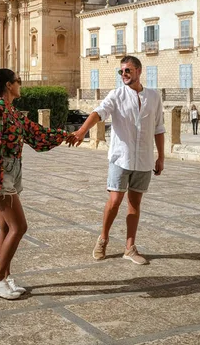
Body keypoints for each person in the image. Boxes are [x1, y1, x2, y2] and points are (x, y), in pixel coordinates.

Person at [0, 68, 73, 299]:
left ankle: (5, 277)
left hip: (11, 171)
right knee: (20, 227)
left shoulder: (12, 111)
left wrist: (65, 135)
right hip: (1, 174)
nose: (21, 84)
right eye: (18, 81)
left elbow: (36, 133)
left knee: (6, 228)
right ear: (9, 85)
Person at [71, 55, 165, 265]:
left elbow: (159, 128)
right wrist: (82, 131)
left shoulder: (154, 97)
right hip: (120, 157)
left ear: (139, 71)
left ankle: (129, 248)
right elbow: (99, 112)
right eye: (121, 71)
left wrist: (161, 157)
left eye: (128, 71)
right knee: (114, 201)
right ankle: (103, 238)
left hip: (144, 158)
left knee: (135, 204)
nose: (124, 75)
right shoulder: (117, 95)